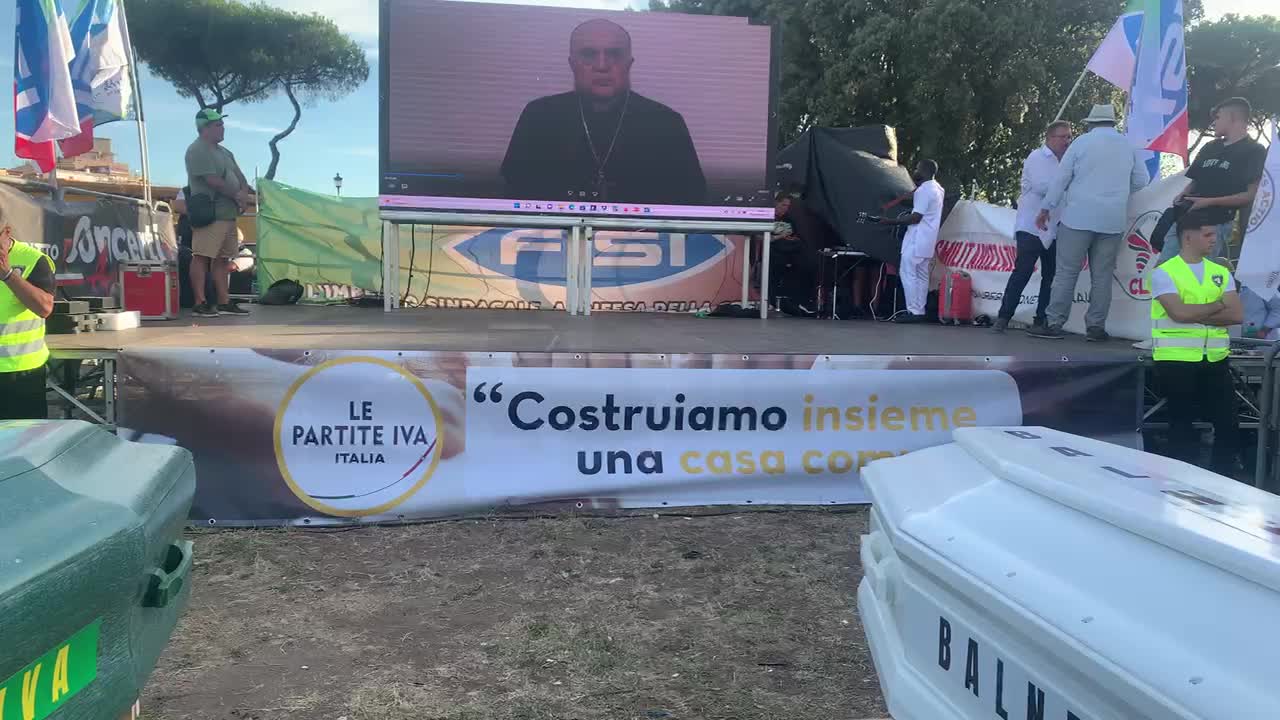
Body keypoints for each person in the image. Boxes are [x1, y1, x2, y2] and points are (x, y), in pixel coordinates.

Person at [501, 19, 706, 205]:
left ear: (629, 64)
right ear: (572, 65)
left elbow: (693, 207)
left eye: (614, 55)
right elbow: (510, 200)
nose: (602, 65)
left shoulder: (666, 123)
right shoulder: (539, 117)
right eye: (589, 55)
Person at [1030, 104, 1149, 341]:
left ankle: (1054, 324)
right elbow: (1141, 180)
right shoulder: (1128, 146)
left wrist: (1046, 208)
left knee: (1065, 273)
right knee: (1102, 276)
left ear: (1091, 123)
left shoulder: (1081, 144)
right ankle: (1095, 327)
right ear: (1112, 123)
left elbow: (1061, 179)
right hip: (1112, 220)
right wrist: (1119, 195)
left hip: (1078, 217)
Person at [1149, 211, 1243, 474]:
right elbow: (1178, 314)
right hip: (1175, 360)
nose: (1215, 239)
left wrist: (1196, 315)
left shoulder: (1220, 272)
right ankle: (1182, 482)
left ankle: (1222, 480)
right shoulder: (1164, 272)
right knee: (1181, 424)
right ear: (1188, 237)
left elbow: (1236, 314)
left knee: (1228, 423)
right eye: (1208, 234)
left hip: (1215, 359)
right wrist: (1216, 305)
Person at [1158, 97, 1267, 263]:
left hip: (1214, 225)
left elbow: (1250, 194)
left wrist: (1209, 202)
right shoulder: (1210, 147)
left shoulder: (1254, 150)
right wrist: (1182, 195)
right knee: (1163, 272)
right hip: (1184, 220)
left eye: (1218, 117)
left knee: (1195, 279)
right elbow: (1195, 181)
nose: (1213, 122)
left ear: (1233, 118)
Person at [993, 121, 1072, 332]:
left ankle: (1042, 320)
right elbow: (1041, 186)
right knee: (1023, 272)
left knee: (1051, 276)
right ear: (1050, 138)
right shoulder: (1037, 157)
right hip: (1031, 226)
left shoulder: (1068, 162)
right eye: (1063, 137)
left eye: (1069, 137)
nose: (1067, 141)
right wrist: (1067, 184)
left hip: (1055, 227)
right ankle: (1004, 317)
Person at [185, 108, 253, 318]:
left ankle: (224, 301)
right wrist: (238, 196)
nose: (222, 128)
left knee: (223, 258)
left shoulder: (225, 152)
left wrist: (244, 191)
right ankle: (200, 302)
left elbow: (239, 175)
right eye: (217, 125)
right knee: (202, 256)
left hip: (228, 214)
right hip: (210, 213)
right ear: (204, 128)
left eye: (221, 124)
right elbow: (212, 180)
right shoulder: (197, 150)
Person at [0, 211, 55, 420]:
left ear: (7, 232)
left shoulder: (33, 260)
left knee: (23, 445)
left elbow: (44, 308)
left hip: (21, 374)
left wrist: (7, 275)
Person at [880, 160, 944, 323]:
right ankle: (919, 310)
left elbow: (916, 217)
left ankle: (913, 311)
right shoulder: (938, 189)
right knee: (921, 275)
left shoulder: (923, 190)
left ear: (924, 171)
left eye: (917, 168)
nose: (915, 171)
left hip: (916, 239)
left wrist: (890, 221)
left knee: (907, 273)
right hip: (928, 240)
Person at [770, 192, 817, 317]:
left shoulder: (788, 219)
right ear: (775, 203)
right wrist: (781, 236)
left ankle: (801, 302)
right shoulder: (766, 218)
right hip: (773, 251)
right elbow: (761, 239)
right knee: (777, 263)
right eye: (783, 205)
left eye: (788, 206)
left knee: (808, 264)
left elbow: (795, 236)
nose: (785, 208)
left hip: (791, 250)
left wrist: (790, 239)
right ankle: (773, 302)